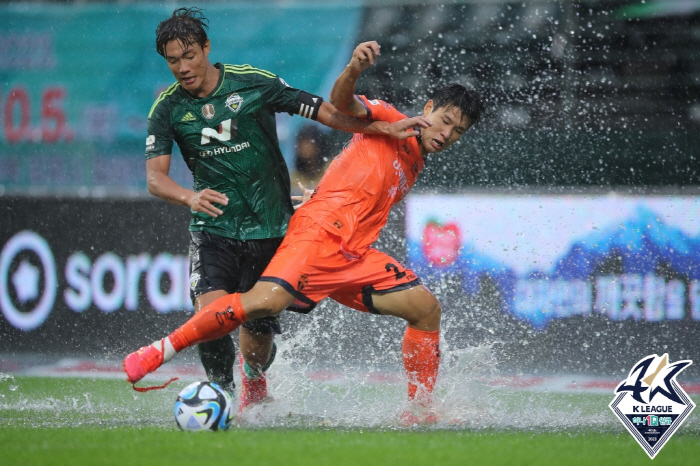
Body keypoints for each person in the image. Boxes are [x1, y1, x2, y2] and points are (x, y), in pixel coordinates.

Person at [126, 39, 483, 422]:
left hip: (353, 255)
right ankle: (159, 351)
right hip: (320, 234)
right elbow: (343, 104)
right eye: (445, 120)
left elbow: (358, 182)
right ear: (428, 108)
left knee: (426, 310)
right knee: (264, 303)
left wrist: (325, 191)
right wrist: (354, 68)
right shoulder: (391, 119)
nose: (447, 133)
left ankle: (420, 410)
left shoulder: (416, 162)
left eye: (458, 131)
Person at [290, 124, 331, 189]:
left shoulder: (330, 171)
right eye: (301, 142)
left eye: (308, 142)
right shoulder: (294, 179)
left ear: (318, 146)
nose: (304, 147)